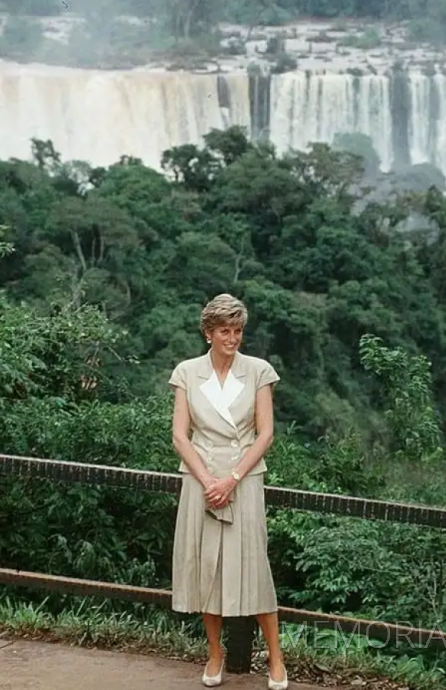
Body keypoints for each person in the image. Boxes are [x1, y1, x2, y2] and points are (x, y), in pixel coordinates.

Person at [168, 293, 288, 690]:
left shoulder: (258, 371)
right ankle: (215, 653)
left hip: (244, 478)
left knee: (254, 567)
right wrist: (208, 481)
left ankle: (275, 658)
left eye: (237, 331)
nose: (232, 338)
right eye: (224, 331)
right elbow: (180, 436)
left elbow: (266, 432)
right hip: (200, 479)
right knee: (207, 569)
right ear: (208, 333)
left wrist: (232, 478)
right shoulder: (187, 372)